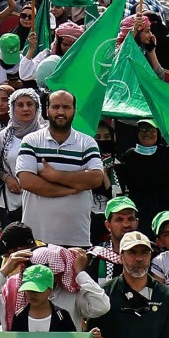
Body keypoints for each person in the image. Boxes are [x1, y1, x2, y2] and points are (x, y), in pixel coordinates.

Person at [13, 90, 104, 249]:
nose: (61, 112)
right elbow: (27, 181)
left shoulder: (87, 143)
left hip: (76, 239)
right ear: (47, 110)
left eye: (66, 107)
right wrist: (71, 188)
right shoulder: (31, 141)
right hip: (37, 238)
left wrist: (54, 175)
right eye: (55, 107)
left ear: (74, 111)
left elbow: (95, 178)